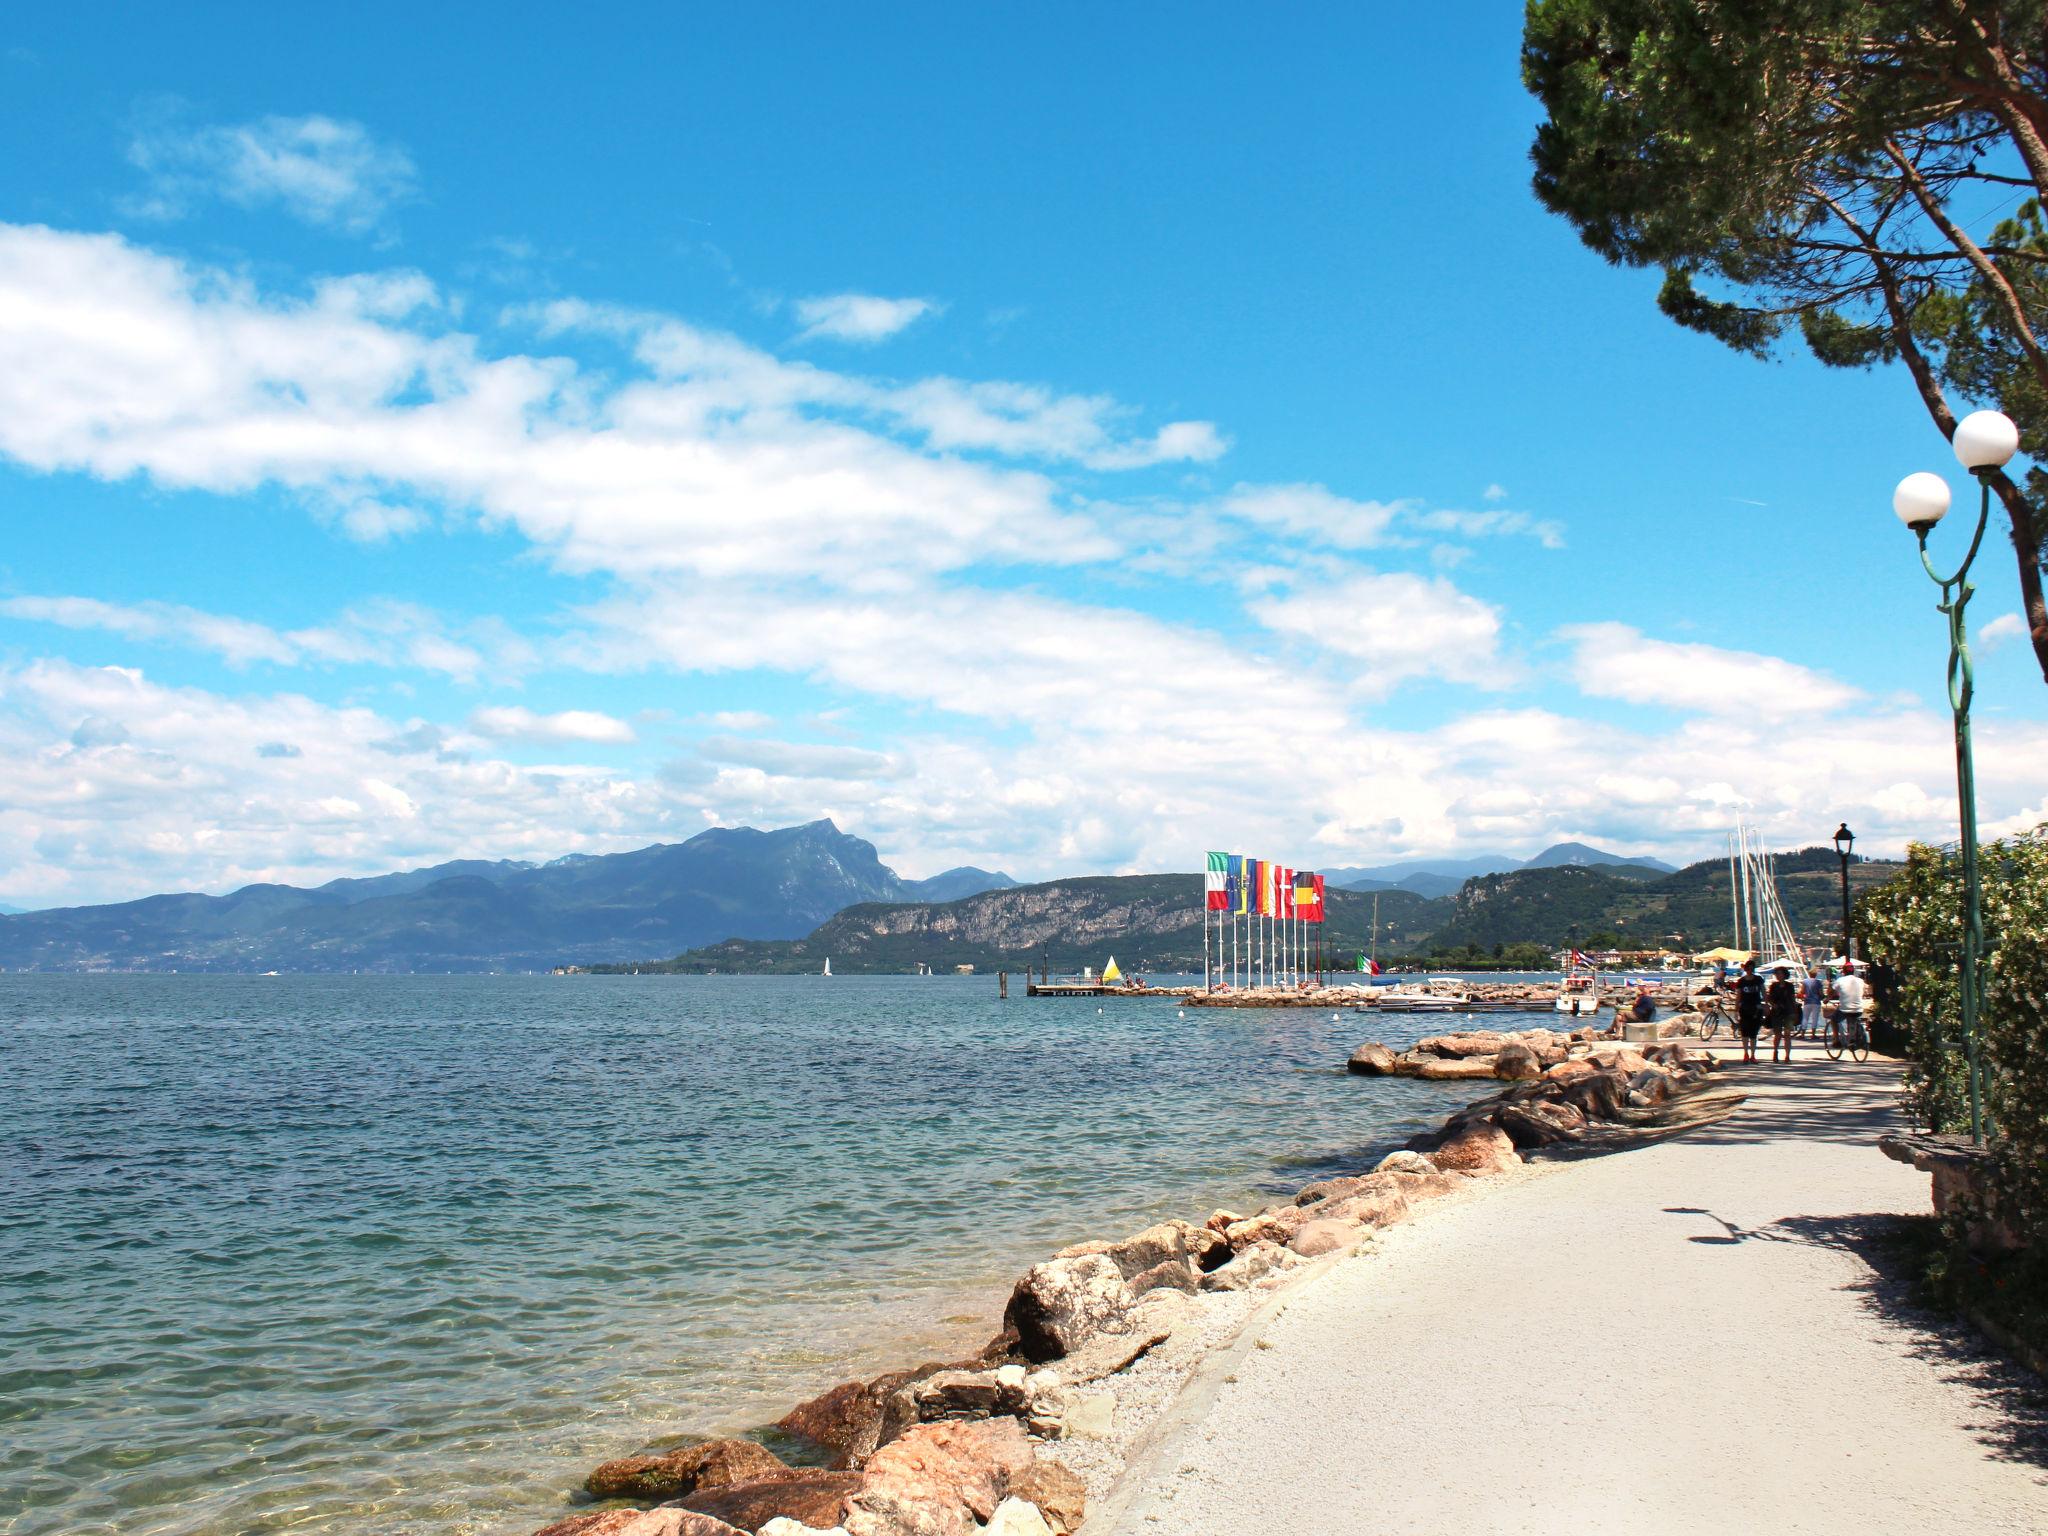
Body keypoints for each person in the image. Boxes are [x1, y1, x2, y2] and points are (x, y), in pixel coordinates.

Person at [1731, 958, 1765, 1062]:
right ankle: (1745, 1053)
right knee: (1744, 1032)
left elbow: (1764, 992)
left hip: (1756, 1008)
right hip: (1744, 1008)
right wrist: (1736, 1010)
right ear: (1746, 969)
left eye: (1752, 968)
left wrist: (1767, 1005)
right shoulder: (1741, 981)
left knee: (1754, 1032)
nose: (1750, 970)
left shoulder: (1758, 980)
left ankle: (1753, 1055)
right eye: (1748, 968)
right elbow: (1738, 996)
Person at [1833, 962, 1869, 1054]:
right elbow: (1864, 992)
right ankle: (1852, 1039)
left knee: (1834, 1019)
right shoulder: (1860, 981)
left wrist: (1827, 999)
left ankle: (1836, 1041)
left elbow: (1832, 991)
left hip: (1844, 1009)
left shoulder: (1840, 980)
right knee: (1853, 1018)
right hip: (1858, 1009)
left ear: (1843, 971)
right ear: (1853, 971)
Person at [1767, 966, 1799, 1063]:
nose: (1778, 975)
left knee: (1787, 1034)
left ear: (1784, 975)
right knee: (1777, 1035)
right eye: (1776, 974)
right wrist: (1773, 1005)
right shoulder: (1773, 986)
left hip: (1788, 1011)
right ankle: (1775, 1052)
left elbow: (1793, 999)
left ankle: (1787, 1056)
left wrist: (1795, 1012)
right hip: (1777, 1012)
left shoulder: (1789, 986)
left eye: (1780, 973)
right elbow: (1769, 998)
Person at [1800, 969, 1826, 1037]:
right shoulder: (1818, 982)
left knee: (1805, 1018)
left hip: (1807, 1001)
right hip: (1816, 1002)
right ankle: (1813, 1034)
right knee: (1815, 1018)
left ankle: (1802, 1034)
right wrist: (1824, 997)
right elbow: (1821, 993)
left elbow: (1802, 991)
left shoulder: (1805, 981)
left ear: (1809, 974)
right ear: (1816, 975)